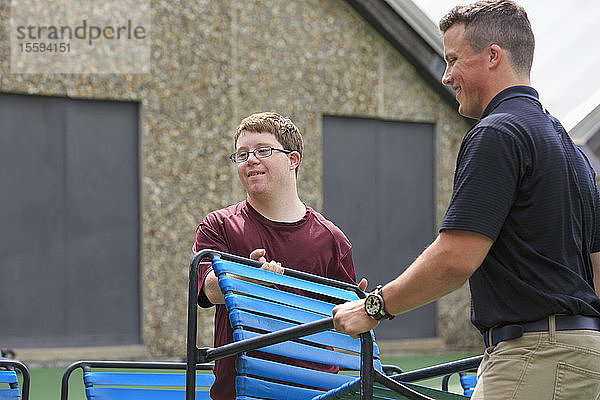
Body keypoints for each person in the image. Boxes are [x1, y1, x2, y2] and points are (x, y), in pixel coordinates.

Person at [332, 1, 600, 398]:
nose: (445, 76)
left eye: (454, 59)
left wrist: (374, 307)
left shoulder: (497, 133)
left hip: (534, 358)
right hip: (582, 355)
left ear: (493, 56)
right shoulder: (570, 148)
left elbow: (455, 259)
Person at [193, 111, 363, 400]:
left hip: (315, 393)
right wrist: (248, 280)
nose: (251, 160)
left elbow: (349, 325)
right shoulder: (218, 226)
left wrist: (361, 307)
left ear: (293, 159)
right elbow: (208, 289)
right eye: (242, 154)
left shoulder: (332, 240)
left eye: (263, 150)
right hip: (238, 393)